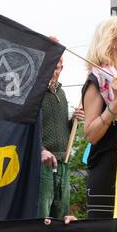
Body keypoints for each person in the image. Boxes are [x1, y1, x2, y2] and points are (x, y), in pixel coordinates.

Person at [80, 16, 117, 219]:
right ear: (111, 39)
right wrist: (114, 104)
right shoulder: (96, 80)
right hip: (107, 170)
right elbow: (90, 134)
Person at [38, 43, 74, 219]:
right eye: (52, 67)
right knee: (43, 214)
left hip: (63, 162)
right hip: (43, 163)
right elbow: (26, 128)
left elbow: (61, 126)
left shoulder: (62, 94)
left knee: (62, 213)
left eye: (59, 68)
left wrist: (74, 120)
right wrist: (41, 150)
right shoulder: (34, 94)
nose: (55, 72)